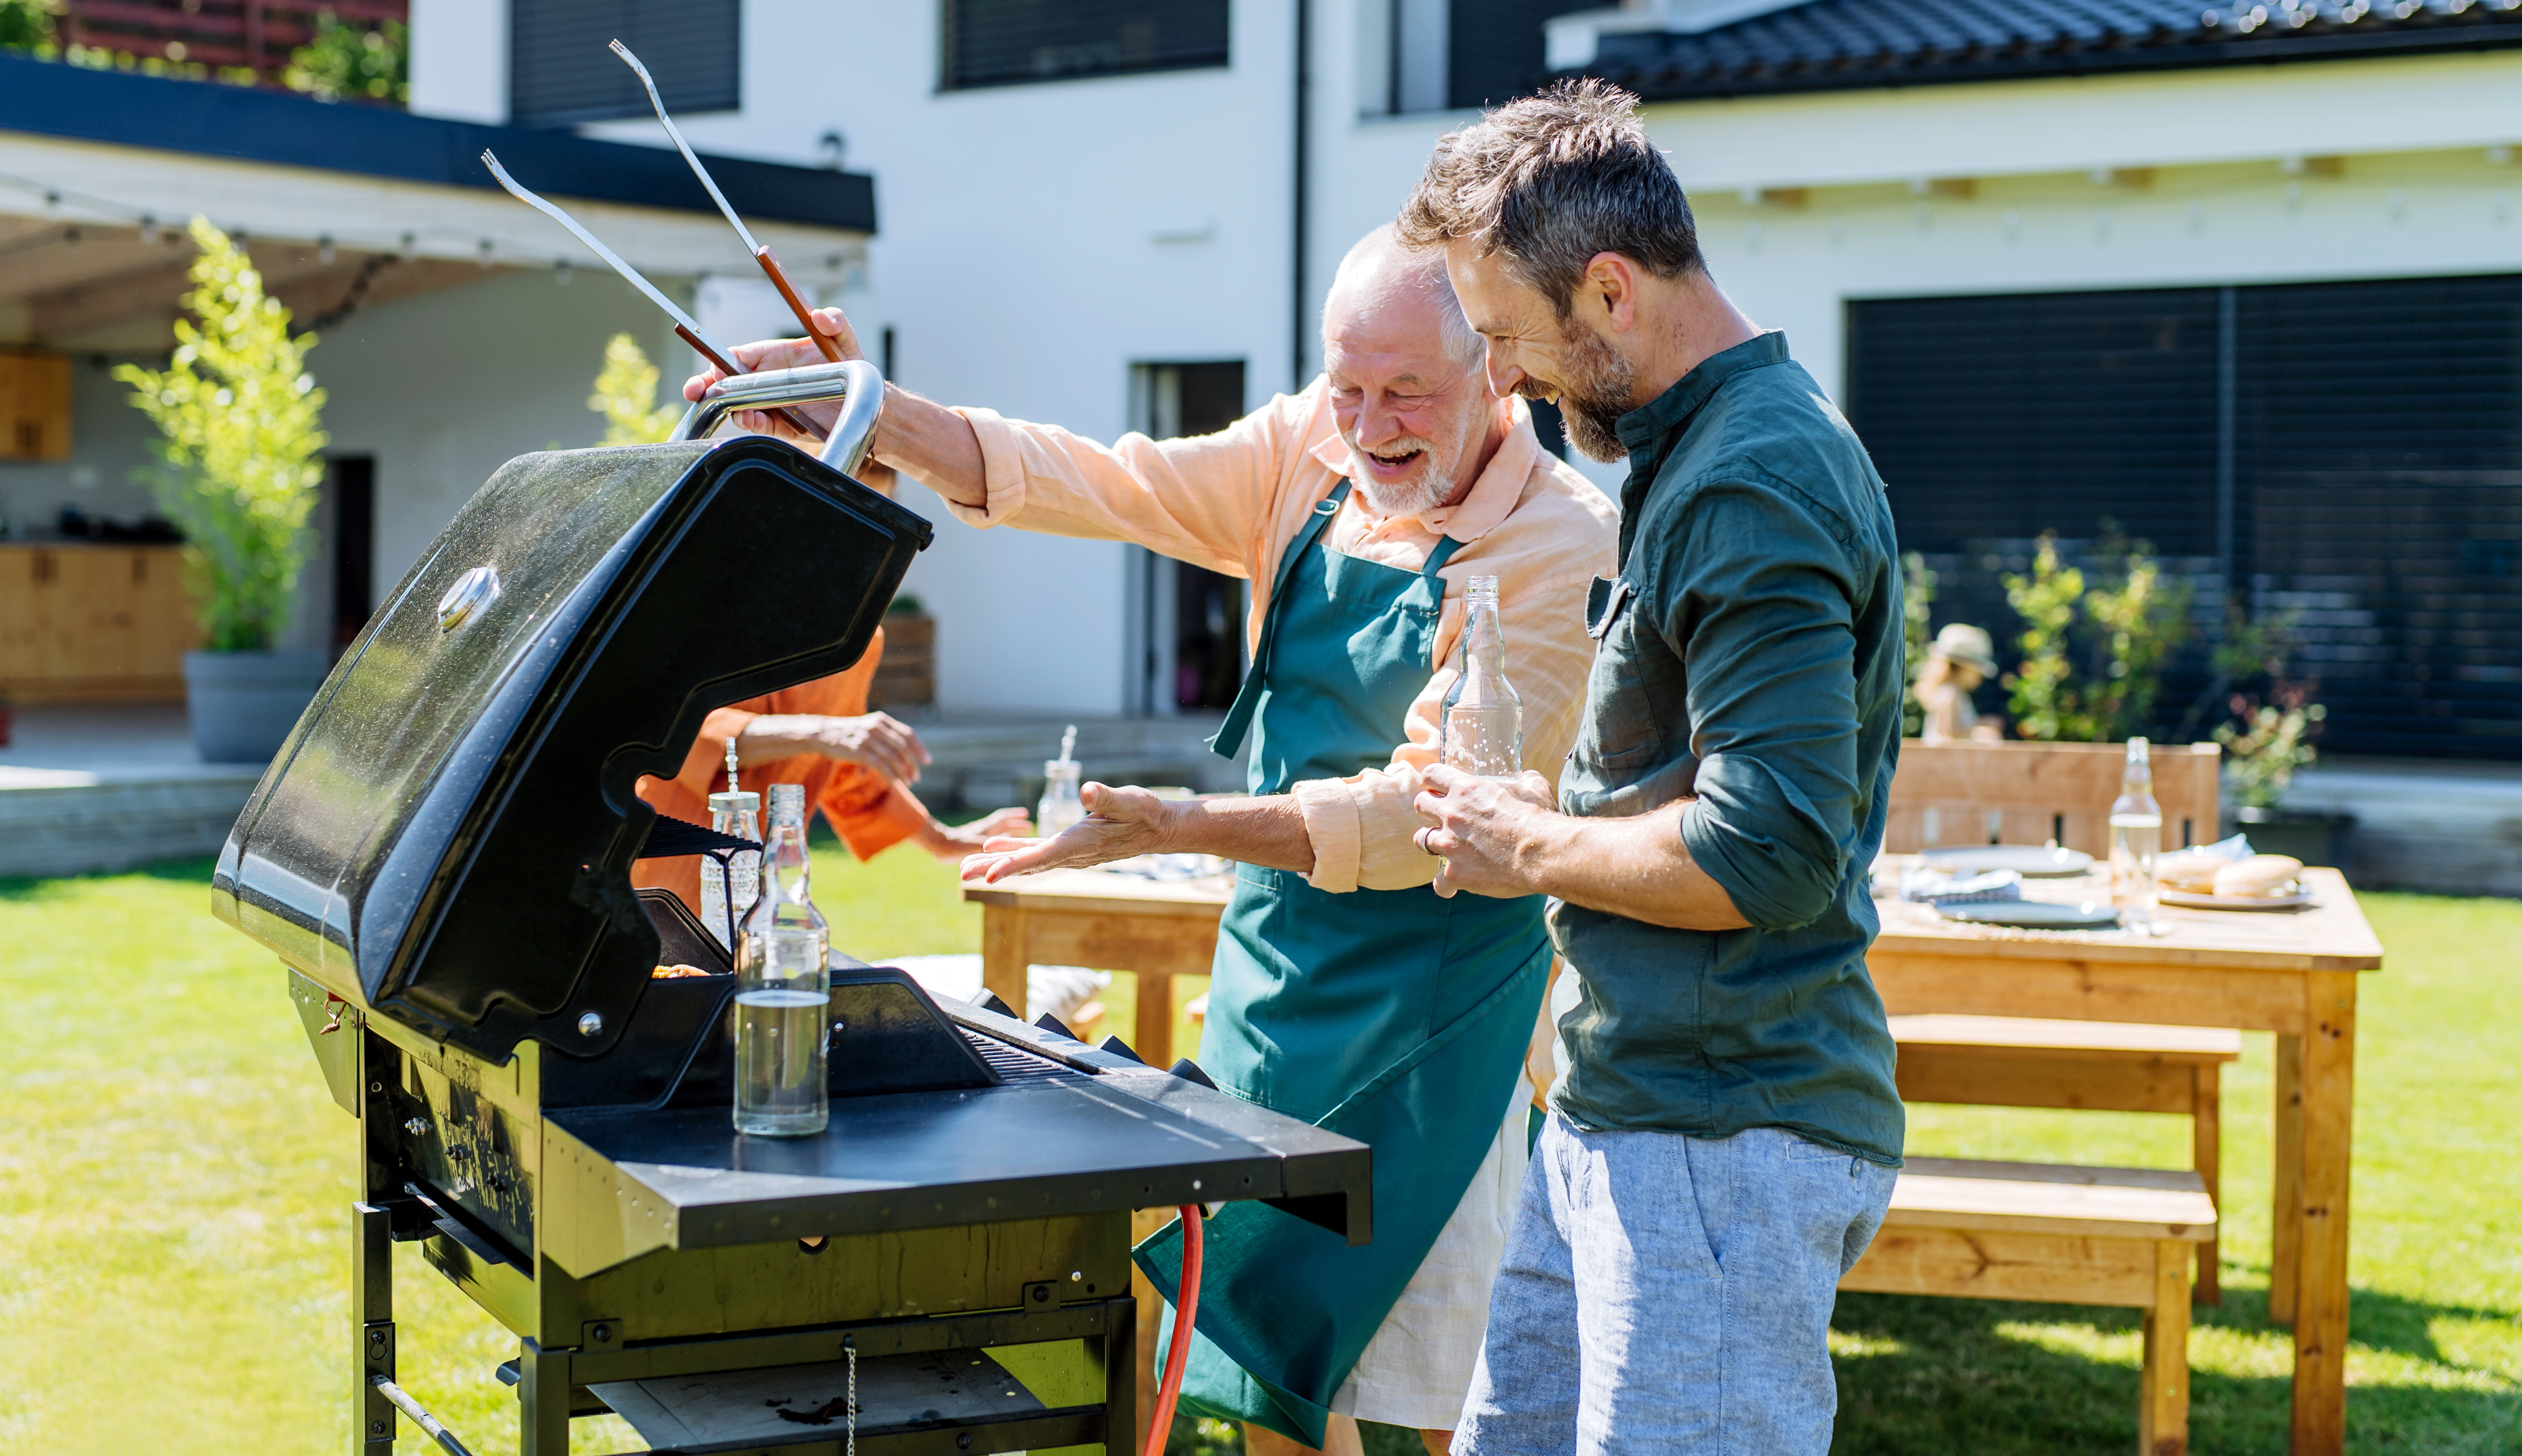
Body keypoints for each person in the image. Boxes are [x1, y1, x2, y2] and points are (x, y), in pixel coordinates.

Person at [692, 226, 1618, 1456]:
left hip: (1437, 1021)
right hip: (1276, 981)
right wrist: (865, 409)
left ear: (1500, 368)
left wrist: (1182, 824)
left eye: (1406, 391)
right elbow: (1101, 477)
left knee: (1412, 1396)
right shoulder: (1309, 445)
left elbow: (1424, 814)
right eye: (1347, 384)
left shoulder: (1560, 541)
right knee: (1265, 1382)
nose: (1369, 422)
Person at [1399, 79, 1905, 1456]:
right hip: (1628, 1110)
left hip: (1721, 1131)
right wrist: (1540, 810)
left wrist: (1528, 849)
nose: (1498, 377)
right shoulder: (1697, 458)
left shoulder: (1751, 477)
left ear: (1609, 290)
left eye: (1505, 335)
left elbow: (1768, 852)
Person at [629, 626, 1027, 911]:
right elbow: (673, 728)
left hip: (760, 890)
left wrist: (941, 839)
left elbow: (844, 761)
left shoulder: (861, 634)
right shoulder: (724, 600)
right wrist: (821, 730)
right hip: (657, 871)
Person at [1915, 622, 2004, 744]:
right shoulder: (1949, 695)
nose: (1980, 677)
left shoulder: (1956, 694)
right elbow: (1948, 735)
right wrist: (1978, 730)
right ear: (1963, 668)